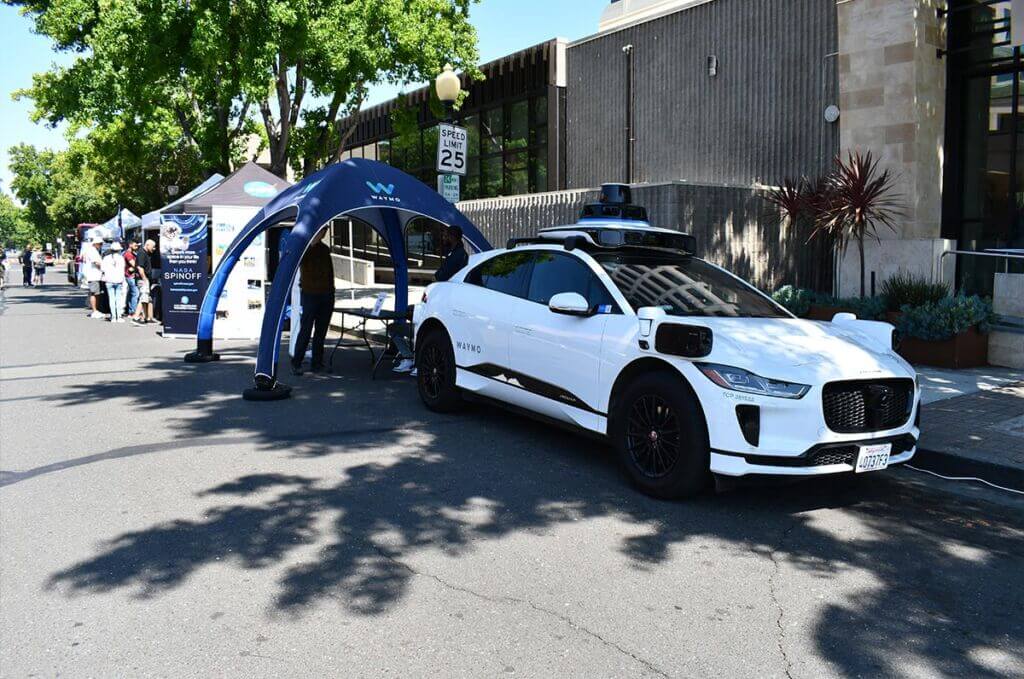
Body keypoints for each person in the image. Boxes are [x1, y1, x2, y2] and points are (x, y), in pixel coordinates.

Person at [290, 230, 335, 375]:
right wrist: (311, 244)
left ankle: (317, 362)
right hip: (310, 293)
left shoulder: (325, 249)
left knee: (321, 331)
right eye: (322, 230)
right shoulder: (304, 248)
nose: (324, 233)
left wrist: (331, 291)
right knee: (306, 329)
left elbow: (330, 272)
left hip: (326, 293)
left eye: (325, 231)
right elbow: (298, 261)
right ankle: (297, 362)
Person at [132, 239, 156, 325]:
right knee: (143, 297)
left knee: (146, 298)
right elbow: (140, 267)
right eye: (153, 246)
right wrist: (144, 278)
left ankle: (146, 317)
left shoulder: (145, 253)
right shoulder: (142, 253)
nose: (154, 248)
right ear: (148, 245)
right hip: (142, 279)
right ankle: (136, 317)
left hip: (144, 279)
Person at [102, 242, 127, 322]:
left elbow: (102, 269)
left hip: (109, 280)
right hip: (119, 280)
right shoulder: (121, 258)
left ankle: (113, 317)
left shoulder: (106, 258)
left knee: (111, 299)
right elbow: (123, 268)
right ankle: (119, 316)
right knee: (118, 299)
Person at [83, 237, 105, 318]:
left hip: (95, 275)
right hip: (93, 275)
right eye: (100, 244)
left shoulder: (93, 250)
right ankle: (94, 311)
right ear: (95, 243)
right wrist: (103, 269)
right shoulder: (92, 251)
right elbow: (96, 262)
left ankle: (95, 310)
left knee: (96, 293)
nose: (101, 245)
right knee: (94, 293)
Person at [124, 240, 140, 318]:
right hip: (130, 276)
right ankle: (133, 312)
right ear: (130, 245)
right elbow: (134, 264)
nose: (137, 247)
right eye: (135, 245)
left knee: (131, 293)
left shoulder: (132, 253)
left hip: (130, 276)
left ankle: (130, 311)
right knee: (135, 293)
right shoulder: (128, 254)